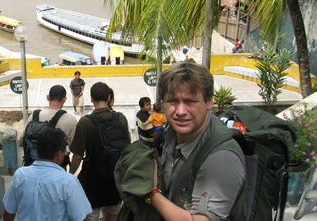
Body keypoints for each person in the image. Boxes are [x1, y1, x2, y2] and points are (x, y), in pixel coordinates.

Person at [146, 62, 246, 220]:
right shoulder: (170, 133)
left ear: (209, 102)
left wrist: (152, 194)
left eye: (190, 101)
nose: (180, 111)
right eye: (172, 101)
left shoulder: (221, 158)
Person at [3, 128, 92, 221]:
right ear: (59, 154)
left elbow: (9, 210)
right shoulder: (69, 182)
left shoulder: (20, 175)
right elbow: (80, 217)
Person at [69, 82, 129, 221]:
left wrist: (71, 174)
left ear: (91, 98)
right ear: (109, 97)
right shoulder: (121, 119)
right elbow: (127, 147)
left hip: (92, 178)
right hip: (114, 177)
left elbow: (77, 155)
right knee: (113, 213)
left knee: (91, 215)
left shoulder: (85, 122)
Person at [19, 85, 78, 170]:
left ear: (48, 97)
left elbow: (21, 142)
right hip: (57, 169)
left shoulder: (35, 116)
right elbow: (74, 149)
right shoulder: (71, 120)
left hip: (33, 167)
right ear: (64, 99)